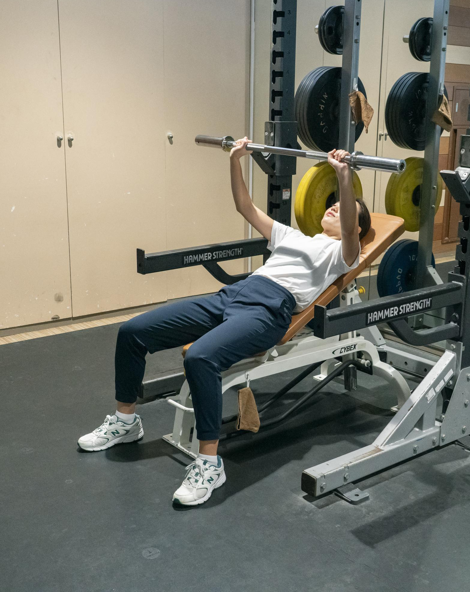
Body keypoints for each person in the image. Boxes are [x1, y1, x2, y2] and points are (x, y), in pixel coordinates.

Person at [77, 138, 372, 506]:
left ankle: (209, 463)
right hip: (232, 295)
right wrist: (236, 159)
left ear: (356, 226)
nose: (334, 207)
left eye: (345, 209)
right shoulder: (291, 236)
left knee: (201, 357)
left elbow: (349, 231)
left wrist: (343, 176)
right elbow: (244, 206)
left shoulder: (343, 254)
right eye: (334, 204)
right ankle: (125, 422)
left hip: (267, 310)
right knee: (132, 332)